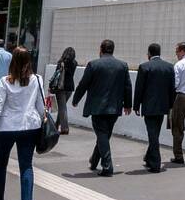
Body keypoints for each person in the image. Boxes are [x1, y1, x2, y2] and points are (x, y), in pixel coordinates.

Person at [0, 47, 46, 200]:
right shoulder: (37, 79)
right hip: (30, 126)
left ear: (12, 62)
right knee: (26, 166)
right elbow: (41, 106)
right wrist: (46, 121)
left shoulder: (5, 81)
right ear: (29, 61)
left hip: (7, 127)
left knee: (1, 164)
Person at [71, 39, 131, 177]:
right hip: (115, 108)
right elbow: (127, 86)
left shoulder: (94, 64)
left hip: (98, 108)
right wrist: (128, 104)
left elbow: (83, 84)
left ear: (101, 49)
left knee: (102, 135)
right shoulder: (122, 65)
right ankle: (94, 161)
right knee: (104, 135)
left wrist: (75, 99)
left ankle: (107, 166)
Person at [133, 43, 176, 173]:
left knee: (152, 134)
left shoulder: (144, 67)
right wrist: (171, 105)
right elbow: (172, 88)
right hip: (163, 106)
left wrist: (136, 105)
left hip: (149, 106)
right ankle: (148, 157)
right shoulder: (169, 67)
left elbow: (139, 88)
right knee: (155, 133)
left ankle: (155, 164)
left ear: (149, 53)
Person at [49, 48, 78, 135]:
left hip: (61, 87)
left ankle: (64, 128)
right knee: (62, 107)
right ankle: (56, 125)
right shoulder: (75, 63)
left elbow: (56, 75)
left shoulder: (61, 62)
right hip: (70, 88)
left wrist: (51, 85)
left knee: (62, 108)